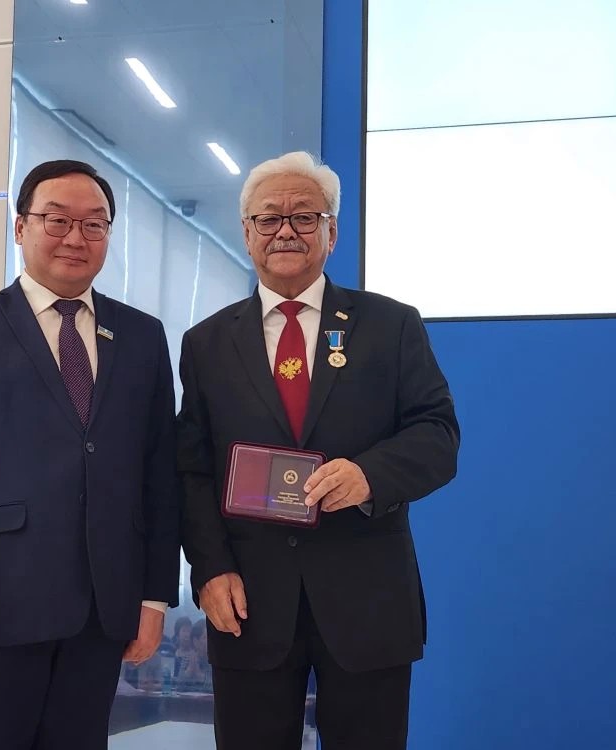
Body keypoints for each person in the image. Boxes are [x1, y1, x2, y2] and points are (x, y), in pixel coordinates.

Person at [176, 151, 459, 749]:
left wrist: (370, 475)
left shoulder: (391, 326)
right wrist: (210, 568)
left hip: (367, 598)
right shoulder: (206, 343)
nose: (285, 230)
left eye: (305, 216)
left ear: (332, 231)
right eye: (268, 217)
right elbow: (193, 470)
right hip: (249, 601)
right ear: (247, 232)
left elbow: (438, 434)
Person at [0, 159, 181, 750]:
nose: (76, 237)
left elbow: (160, 474)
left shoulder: (142, 336)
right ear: (21, 226)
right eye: (57, 220)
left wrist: (154, 597)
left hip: (103, 610)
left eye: (94, 224)